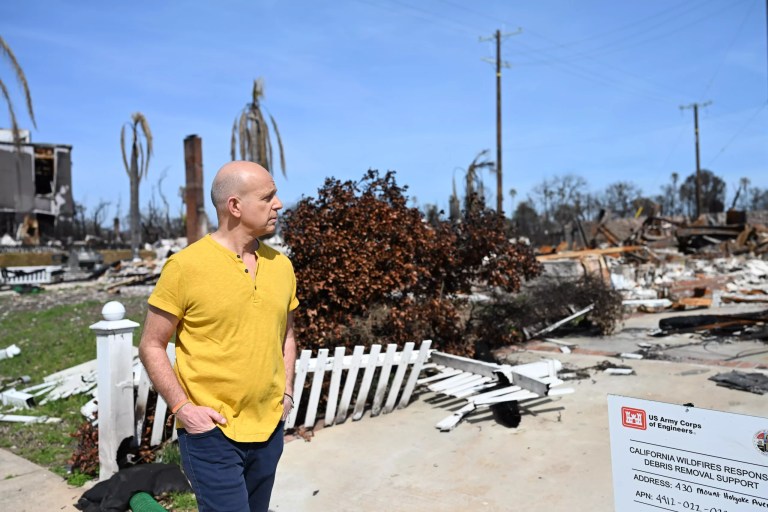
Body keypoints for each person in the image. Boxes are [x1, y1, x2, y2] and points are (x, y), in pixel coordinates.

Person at [139, 160, 298, 512]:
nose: (279, 204)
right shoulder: (185, 267)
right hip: (213, 434)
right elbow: (151, 344)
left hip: (269, 427)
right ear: (235, 206)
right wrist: (183, 409)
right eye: (268, 196)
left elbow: (287, 335)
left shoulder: (281, 266)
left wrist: (286, 392)